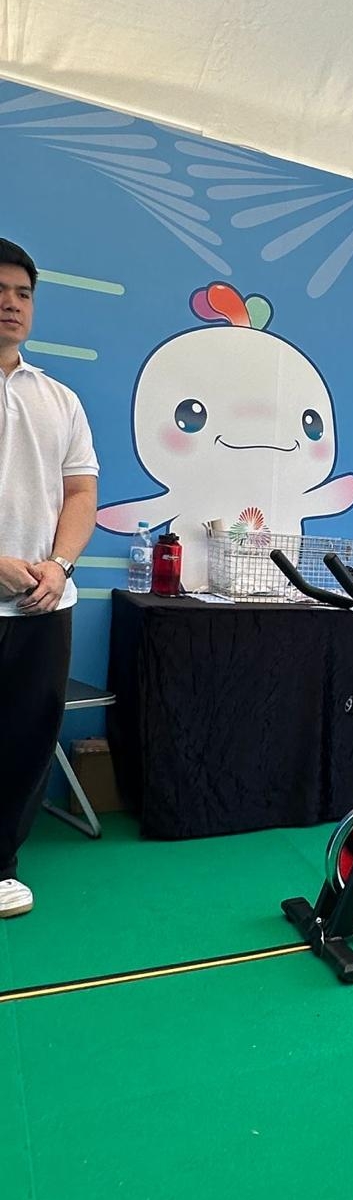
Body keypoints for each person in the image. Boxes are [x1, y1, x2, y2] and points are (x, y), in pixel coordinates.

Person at [0, 238, 99, 918]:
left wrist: (58, 566)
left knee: (25, 738)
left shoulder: (60, 399)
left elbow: (82, 493)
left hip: (43, 605)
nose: (11, 304)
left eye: (23, 294)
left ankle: (1, 863)